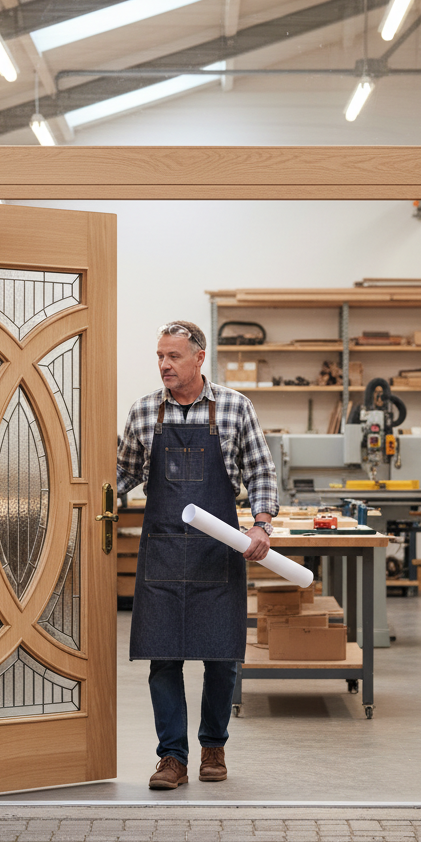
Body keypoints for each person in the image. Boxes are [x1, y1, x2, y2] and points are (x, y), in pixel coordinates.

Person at [117, 320, 279, 790]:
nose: (165, 365)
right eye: (160, 357)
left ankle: (213, 748)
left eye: (174, 357)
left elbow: (261, 472)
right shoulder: (145, 413)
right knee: (162, 658)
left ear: (198, 358)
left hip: (218, 549)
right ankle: (172, 758)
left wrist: (261, 524)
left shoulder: (233, 408)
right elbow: (123, 475)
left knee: (220, 657)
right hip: (163, 552)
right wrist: (83, 500)